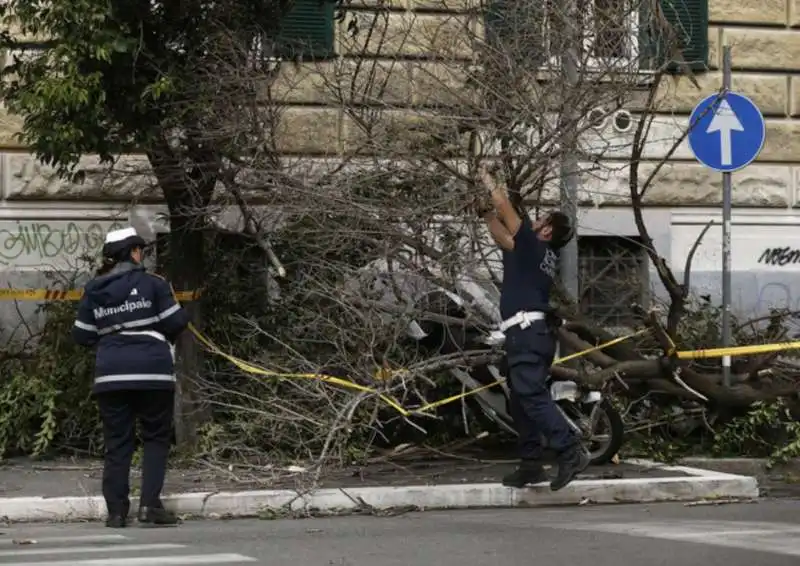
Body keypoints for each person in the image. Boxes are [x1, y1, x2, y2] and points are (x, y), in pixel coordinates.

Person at [477, 167, 589, 491]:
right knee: (521, 399)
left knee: (530, 395)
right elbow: (502, 235)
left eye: (541, 220)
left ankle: (570, 450)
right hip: (527, 335)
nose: (535, 221)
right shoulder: (535, 253)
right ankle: (531, 464)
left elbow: (506, 209)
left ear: (546, 230)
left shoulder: (534, 245)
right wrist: (485, 214)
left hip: (527, 334)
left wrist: (485, 177)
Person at [72, 226, 190, 528]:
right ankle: (150, 507)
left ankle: (116, 512)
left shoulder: (94, 289)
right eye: (141, 250)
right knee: (155, 438)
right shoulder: (154, 284)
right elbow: (176, 322)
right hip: (153, 372)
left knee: (117, 443)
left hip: (111, 374)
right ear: (134, 253)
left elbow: (82, 336)